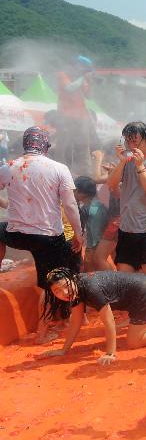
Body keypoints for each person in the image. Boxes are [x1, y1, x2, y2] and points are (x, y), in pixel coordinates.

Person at [0, 126, 84, 342]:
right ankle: (42, 332)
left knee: (1, 230)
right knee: (47, 284)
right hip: (47, 238)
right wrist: (78, 233)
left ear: (24, 144)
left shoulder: (8, 167)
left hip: (16, 234)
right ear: (46, 145)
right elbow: (70, 205)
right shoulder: (59, 168)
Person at [38, 268, 146, 365]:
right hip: (144, 287)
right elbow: (76, 322)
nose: (64, 292)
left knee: (133, 342)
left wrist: (110, 353)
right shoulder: (75, 290)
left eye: (66, 286)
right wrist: (63, 350)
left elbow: (109, 323)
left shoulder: (91, 289)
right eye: (57, 291)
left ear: (72, 278)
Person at [106, 121, 146, 280]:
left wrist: (140, 166)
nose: (130, 145)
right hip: (127, 228)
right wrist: (121, 161)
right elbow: (111, 185)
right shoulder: (126, 161)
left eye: (134, 141)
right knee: (124, 275)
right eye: (127, 141)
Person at [73, 176, 109, 272]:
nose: (73, 193)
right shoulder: (92, 205)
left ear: (81, 192)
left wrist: (92, 249)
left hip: (95, 245)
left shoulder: (93, 209)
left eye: (75, 190)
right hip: (95, 243)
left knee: (90, 269)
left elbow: (96, 231)